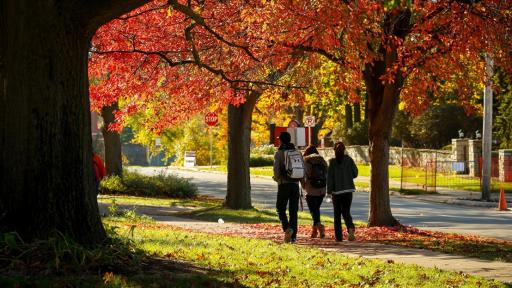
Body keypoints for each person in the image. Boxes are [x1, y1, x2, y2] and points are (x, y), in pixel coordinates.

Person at [273, 131, 302, 243]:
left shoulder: (279, 153)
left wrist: (277, 178)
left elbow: (276, 171)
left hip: (284, 184)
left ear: (281, 140)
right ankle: (293, 236)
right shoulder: (296, 152)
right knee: (293, 211)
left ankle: (287, 228)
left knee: (280, 209)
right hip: (295, 184)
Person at [327, 142, 358, 242]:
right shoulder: (349, 160)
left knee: (337, 214)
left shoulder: (332, 162)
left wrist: (329, 191)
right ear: (344, 150)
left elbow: (330, 178)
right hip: (348, 190)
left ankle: (338, 237)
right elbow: (355, 173)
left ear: (334, 151)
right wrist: (348, 176)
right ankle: (350, 228)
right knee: (346, 211)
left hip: (336, 192)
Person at [300, 145, 327, 238]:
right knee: (316, 210)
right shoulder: (322, 160)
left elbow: (302, 175)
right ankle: (314, 231)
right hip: (322, 189)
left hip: (311, 189)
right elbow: (326, 174)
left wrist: (304, 186)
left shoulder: (306, 161)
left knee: (313, 211)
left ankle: (320, 227)